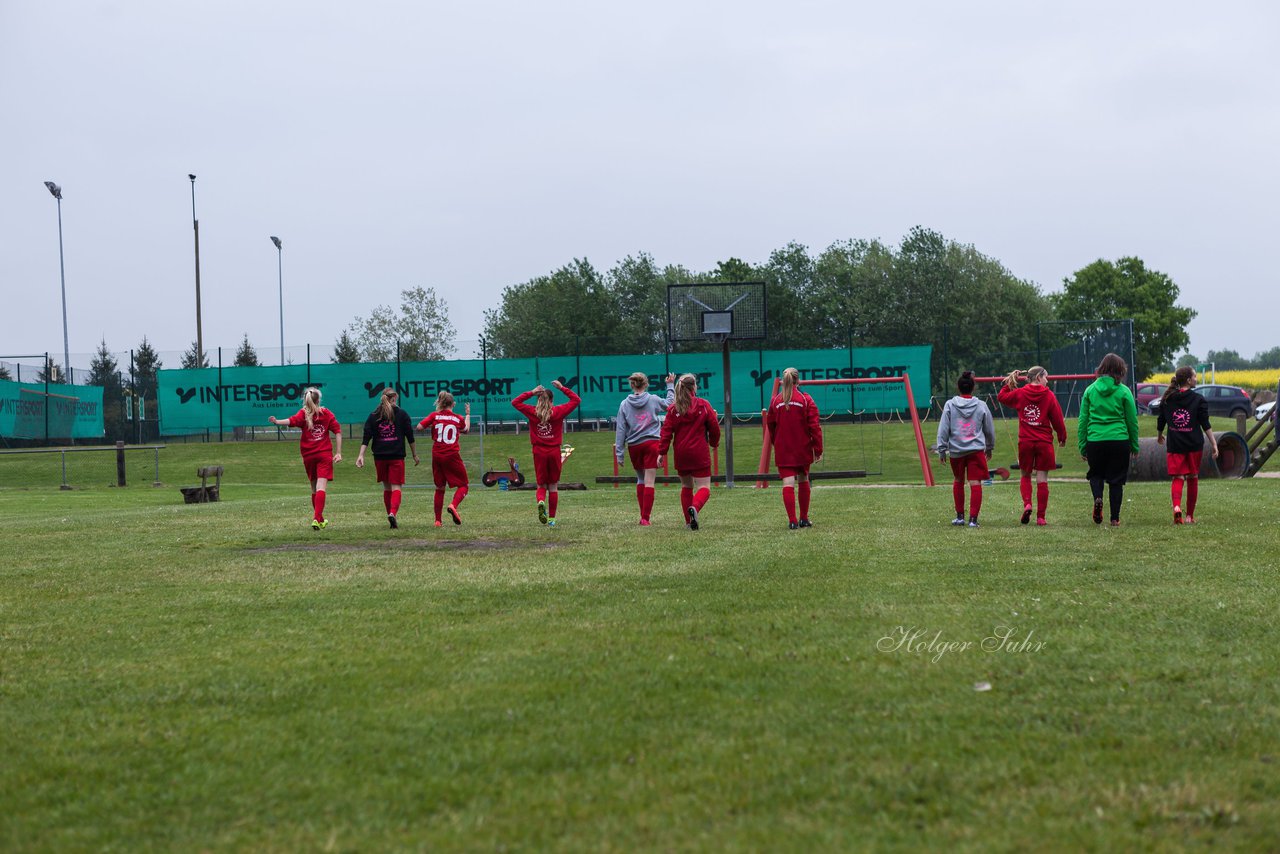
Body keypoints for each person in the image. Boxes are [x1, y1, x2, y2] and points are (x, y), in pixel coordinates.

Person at [997, 366, 1067, 526]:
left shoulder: (1020, 393)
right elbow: (1057, 418)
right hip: (1044, 442)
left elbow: (1002, 397)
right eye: (1045, 377)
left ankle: (1027, 504)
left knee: (1025, 474)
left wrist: (1009, 384)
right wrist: (1062, 436)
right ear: (1038, 378)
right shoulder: (1049, 395)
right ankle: (1041, 517)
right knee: (1042, 479)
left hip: (1026, 442)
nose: (1047, 381)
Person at [1078, 352, 1140, 527]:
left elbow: (1083, 421)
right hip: (1119, 440)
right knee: (1116, 480)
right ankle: (1114, 518)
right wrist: (1134, 444)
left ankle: (1098, 498)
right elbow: (1132, 421)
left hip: (1095, 439)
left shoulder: (1090, 390)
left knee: (1095, 474)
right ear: (1120, 371)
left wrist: (1083, 445)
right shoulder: (1124, 391)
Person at [268, 386, 342, 530]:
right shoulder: (326, 413)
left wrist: (277, 421)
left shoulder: (303, 414)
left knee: (314, 488)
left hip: (308, 456)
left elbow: (290, 421)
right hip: (324, 454)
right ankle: (316, 518)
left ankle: (319, 519)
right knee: (321, 488)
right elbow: (338, 431)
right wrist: (338, 452)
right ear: (319, 399)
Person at [657, 373, 721, 530]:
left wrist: (661, 452)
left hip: (681, 453)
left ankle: (688, 522)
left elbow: (666, 432)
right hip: (699, 452)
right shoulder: (703, 405)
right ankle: (695, 508)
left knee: (686, 486)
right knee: (704, 487)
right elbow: (714, 427)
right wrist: (714, 443)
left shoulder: (673, 409)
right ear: (694, 387)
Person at [511, 380, 581, 526]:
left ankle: (541, 501)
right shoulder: (558, 411)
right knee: (553, 486)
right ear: (552, 400)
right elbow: (576, 400)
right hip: (554, 451)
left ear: (538, 399)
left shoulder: (533, 412)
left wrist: (531, 392)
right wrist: (562, 388)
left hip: (538, 451)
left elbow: (515, 402)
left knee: (541, 485)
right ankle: (552, 519)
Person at [1156, 366, 1218, 524]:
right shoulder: (1199, 400)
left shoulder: (1168, 398)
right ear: (1189, 380)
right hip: (1194, 445)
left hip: (1175, 445)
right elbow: (1205, 424)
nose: (1196, 379)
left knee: (1178, 477)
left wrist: (1159, 434)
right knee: (1192, 477)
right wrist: (1214, 443)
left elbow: (1161, 419)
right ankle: (1190, 516)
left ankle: (1176, 507)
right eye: (1195, 376)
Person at [614, 371, 676, 526]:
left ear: (632, 385)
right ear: (646, 384)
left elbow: (620, 429)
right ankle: (645, 518)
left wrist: (619, 453)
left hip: (634, 446)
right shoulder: (653, 400)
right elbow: (670, 404)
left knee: (640, 479)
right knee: (649, 481)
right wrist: (670, 385)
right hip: (652, 443)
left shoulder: (624, 404)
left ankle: (643, 516)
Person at [765, 367, 824, 529]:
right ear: (798, 381)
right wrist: (818, 449)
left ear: (783, 381)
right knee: (803, 479)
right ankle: (804, 518)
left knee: (788, 482)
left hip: (783, 448)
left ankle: (792, 521)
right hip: (802, 447)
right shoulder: (805, 399)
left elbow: (770, 424)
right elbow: (815, 426)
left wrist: (775, 442)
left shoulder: (775, 401)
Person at [936, 370, 995, 527]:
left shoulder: (950, 405)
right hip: (976, 451)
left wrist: (942, 449)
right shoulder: (981, 405)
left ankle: (960, 517)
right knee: (975, 483)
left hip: (956, 451)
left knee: (958, 480)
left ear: (958, 387)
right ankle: (973, 520)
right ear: (973, 387)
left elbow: (943, 429)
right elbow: (989, 429)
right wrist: (989, 447)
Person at [355, 388, 420, 529]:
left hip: (380, 457)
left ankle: (390, 515)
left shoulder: (373, 415)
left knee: (387, 487)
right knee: (396, 487)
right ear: (395, 398)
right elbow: (410, 437)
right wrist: (414, 454)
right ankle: (392, 513)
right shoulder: (402, 414)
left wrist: (361, 455)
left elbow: (366, 437)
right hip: (396, 456)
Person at [417, 392, 471, 527]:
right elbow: (466, 429)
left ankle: (437, 521)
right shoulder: (458, 418)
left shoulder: (434, 416)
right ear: (453, 404)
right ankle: (453, 505)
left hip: (437, 455)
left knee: (440, 488)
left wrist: (432, 425)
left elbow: (419, 427)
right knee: (464, 485)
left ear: (440, 403)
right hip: (452, 455)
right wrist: (468, 414)